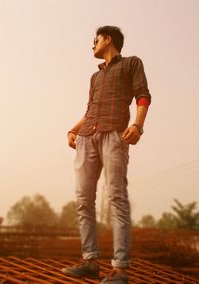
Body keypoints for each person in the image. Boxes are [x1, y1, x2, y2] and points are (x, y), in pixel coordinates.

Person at [61, 26, 151, 284]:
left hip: (115, 134)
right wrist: (73, 129)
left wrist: (137, 125)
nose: (93, 45)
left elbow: (143, 96)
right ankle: (90, 261)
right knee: (83, 200)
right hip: (87, 136)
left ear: (108, 39)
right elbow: (90, 109)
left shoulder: (132, 63)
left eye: (95, 40)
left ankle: (120, 270)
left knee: (117, 197)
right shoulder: (95, 77)